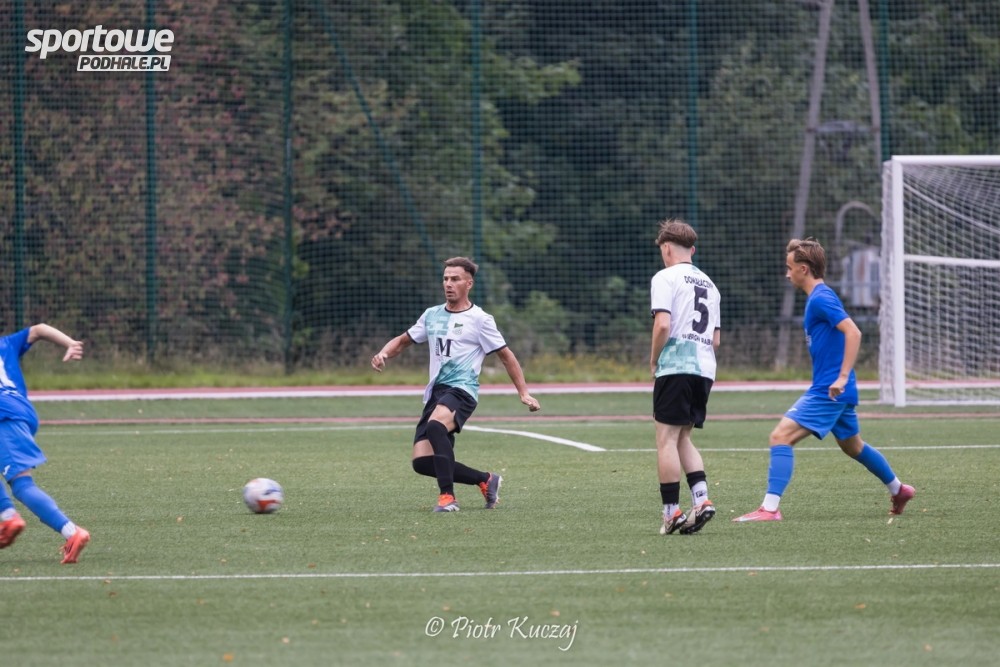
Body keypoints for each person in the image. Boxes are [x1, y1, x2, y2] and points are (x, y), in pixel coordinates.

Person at [733, 238, 915, 522]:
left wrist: (841, 376)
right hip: (838, 389)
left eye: (789, 267)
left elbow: (853, 332)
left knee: (780, 436)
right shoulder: (818, 297)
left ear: (803, 269)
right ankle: (898, 489)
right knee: (853, 447)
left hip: (830, 390)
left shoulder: (821, 298)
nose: (787, 274)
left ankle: (769, 509)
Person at [371, 257, 541, 512]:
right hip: (436, 392)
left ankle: (447, 498)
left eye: (455, 279)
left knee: (436, 426)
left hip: (462, 390)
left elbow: (507, 356)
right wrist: (384, 353)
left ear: (468, 284)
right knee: (422, 463)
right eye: (445, 278)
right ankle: (485, 479)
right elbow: (404, 340)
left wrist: (524, 393)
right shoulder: (432, 315)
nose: (448, 284)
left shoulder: (480, 319)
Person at [650, 219, 720, 535]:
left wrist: (654, 359)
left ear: (666, 248)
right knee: (683, 437)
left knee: (666, 439)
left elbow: (663, 324)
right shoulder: (711, 285)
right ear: (692, 250)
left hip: (676, 365)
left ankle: (671, 513)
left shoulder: (665, 277)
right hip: (704, 369)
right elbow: (716, 340)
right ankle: (701, 500)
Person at [0, 323, 91, 563]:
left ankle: (9, 517)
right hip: (21, 412)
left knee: (22, 485)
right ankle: (71, 533)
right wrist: (70, 343)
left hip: (4, 414)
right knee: (21, 484)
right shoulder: (5, 344)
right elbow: (39, 329)